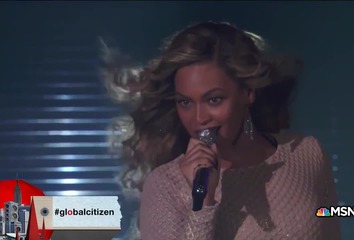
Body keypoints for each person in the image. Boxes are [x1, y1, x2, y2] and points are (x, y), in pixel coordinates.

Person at [102, 21, 340, 240]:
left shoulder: (307, 153)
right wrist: (202, 200)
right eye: (185, 102)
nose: (199, 118)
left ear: (248, 92)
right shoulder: (165, 185)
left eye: (214, 100)